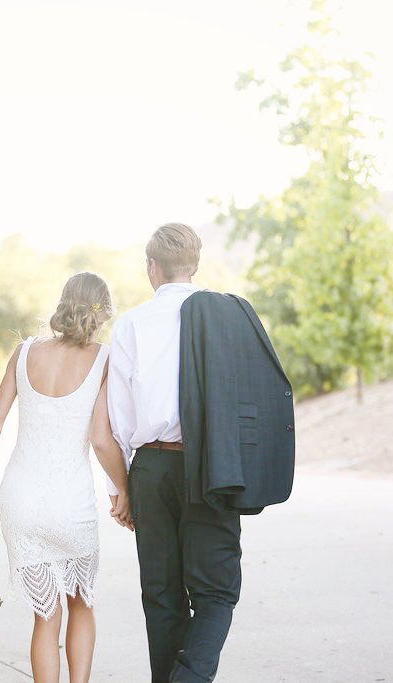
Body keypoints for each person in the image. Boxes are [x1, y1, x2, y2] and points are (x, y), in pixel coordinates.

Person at [107, 222, 294, 683]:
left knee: (162, 594)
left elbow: (120, 420)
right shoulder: (231, 317)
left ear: (152, 268)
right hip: (214, 463)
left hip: (149, 467)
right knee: (215, 592)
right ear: (195, 265)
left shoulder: (130, 323)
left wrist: (124, 487)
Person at [0, 271, 133, 683]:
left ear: (63, 303)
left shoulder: (24, 352)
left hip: (19, 499)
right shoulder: (105, 359)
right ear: (103, 313)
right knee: (81, 605)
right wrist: (125, 490)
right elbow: (101, 440)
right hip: (71, 503)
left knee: (46, 617)